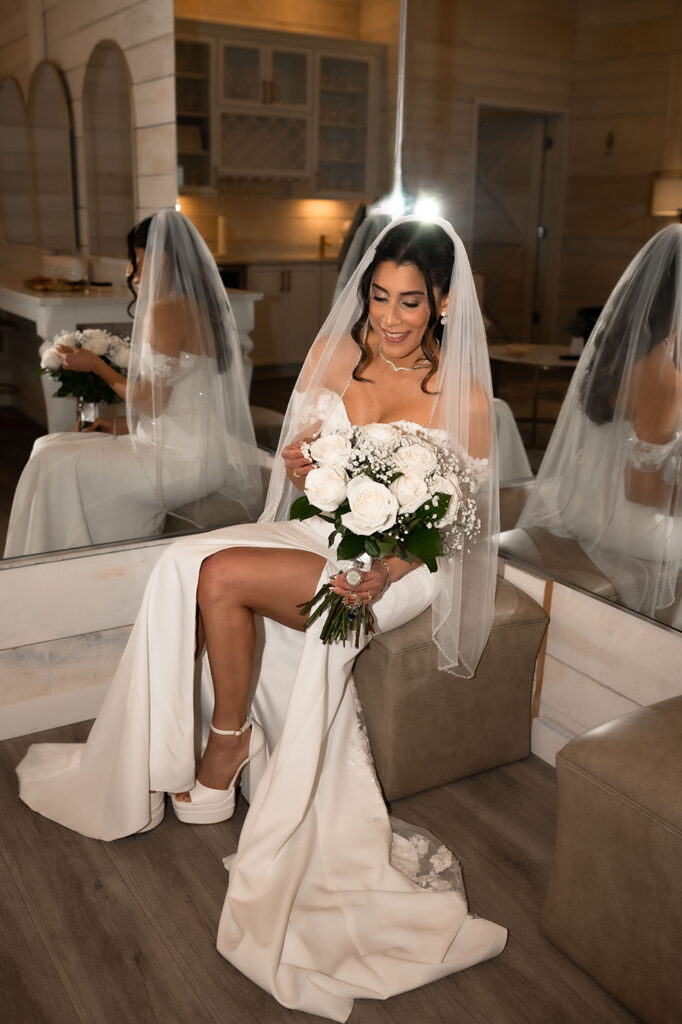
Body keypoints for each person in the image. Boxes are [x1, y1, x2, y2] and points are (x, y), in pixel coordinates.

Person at [16, 217, 506, 1021]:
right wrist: (302, 463)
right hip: (324, 534)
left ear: (444, 302)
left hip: (404, 568)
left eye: (410, 303)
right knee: (188, 565)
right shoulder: (337, 354)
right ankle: (223, 745)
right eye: (379, 297)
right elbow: (306, 470)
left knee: (224, 573)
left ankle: (221, 756)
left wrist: (384, 568)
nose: (388, 317)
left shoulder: (464, 398)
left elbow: (455, 533)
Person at [4, 210, 263, 557]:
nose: (131, 270)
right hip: (194, 449)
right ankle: (59, 562)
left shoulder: (167, 310)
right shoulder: (200, 305)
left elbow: (147, 400)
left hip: (183, 462)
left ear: (162, 257)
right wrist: (119, 425)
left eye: (137, 258)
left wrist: (95, 365)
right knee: (49, 447)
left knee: (55, 463)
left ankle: (56, 566)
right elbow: (180, 401)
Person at [517, 224, 682, 621]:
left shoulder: (620, 352)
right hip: (622, 516)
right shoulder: (663, 377)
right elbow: (641, 489)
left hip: (580, 502)